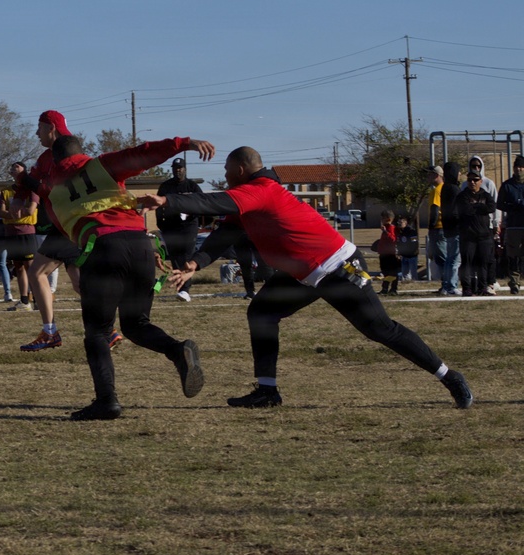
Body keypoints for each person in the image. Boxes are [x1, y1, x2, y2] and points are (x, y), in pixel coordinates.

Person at [139, 146, 474, 410]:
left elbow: (214, 201)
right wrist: (196, 263)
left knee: (380, 329)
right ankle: (267, 391)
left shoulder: (260, 189)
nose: (225, 179)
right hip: (303, 274)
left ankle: (449, 376)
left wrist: (168, 199)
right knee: (262, 312)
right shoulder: (251, 197)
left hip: (336, 268)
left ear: (240, 170)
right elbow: (224, 234)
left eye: (227, 172)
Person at [39, 134, 210, 420]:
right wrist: (184, 144)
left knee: (97, 331)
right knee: (135, 323)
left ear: (54, 159)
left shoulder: (51, 193)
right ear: (83, 152)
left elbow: (66, 230)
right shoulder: (101, 166)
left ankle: (106, 400)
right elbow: (142, 154)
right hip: (141, 245)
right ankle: (177, 351)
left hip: (102, 248)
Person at [19, 111, 85, 352]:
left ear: (51, 128)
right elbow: (36, 184)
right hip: (69, 224)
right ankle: (107, 330)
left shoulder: (63, 155)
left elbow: (50, 189)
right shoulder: (51, 155)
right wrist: (23, 183)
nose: (37, 133)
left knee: (36, 272)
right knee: (79, 282)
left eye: (40, 128)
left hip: (70, 224)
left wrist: (25, 180)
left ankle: (50, 332)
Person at [155, 157, 203, 301]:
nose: (178, 170)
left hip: (189, 225)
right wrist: (161, 224)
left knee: (187, 255)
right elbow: (157, 205)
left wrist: (196, 218)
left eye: (180, 168)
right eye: (175, 168)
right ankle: (180, 288)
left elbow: (202, 203)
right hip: (170, 226)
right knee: (175, 256)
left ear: (185, 169)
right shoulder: (166, 186)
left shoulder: (192, 186)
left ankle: (185, 290)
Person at [0, 161, 39, 312]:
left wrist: (13, 213)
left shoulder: (32, 190)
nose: (14, 169)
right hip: (11, 233)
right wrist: (12, 214)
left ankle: (37, 298)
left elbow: (30, 211)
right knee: (19, 267)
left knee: (31, 266)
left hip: (27, 232)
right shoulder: (6, 191)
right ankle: (24, 300)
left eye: (17, 167)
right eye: (12, 167)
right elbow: (1, 212)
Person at [459, 156, 501, 295]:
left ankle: (483, 287)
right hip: (468, 233)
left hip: (484, 231)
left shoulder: (488, 186)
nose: (472, 182)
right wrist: (479, 207)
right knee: (468, 261)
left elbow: (492, 206)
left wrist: (496, 223)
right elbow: (465, 209)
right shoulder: (463, 190)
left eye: (476, 180)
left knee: (484, 261)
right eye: (472, 165)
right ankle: (468, 287)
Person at [496, 155, 524, 294]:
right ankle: (514, 283)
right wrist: (512, 207)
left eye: (522, 167)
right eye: (517, 166)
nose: (519, 169)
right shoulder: (507, 185)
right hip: (513, 225)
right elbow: (499, 204)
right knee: (514, 255)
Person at [438, 162, 463, 295]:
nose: (460, 174)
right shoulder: (454, 189)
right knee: (455, 259)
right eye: (458, 171)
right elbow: (456, 210)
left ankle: (446, 285)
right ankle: (452, 286)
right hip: (455, 228)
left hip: (447, 227)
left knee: (449, 258)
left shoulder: (445, 187)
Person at [375, 210, 400, 296]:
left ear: (388, 219)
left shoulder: (391, 228)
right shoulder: (386, 228)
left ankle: (393, 289)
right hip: (383, 254)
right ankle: (384, 288)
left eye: (383, 218)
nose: (381, 220)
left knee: (392, 272)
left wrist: (385, 231)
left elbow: (393, 239)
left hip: (390, 254)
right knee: (385, 272)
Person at [396, 214, 419, 282]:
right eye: (398, 222)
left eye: (401, 222)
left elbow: (415, 243)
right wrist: (400, 252)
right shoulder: (400, 232)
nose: (399, 224)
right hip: (404, 255)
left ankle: (415, 282)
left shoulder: (412, 231)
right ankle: (406, 281)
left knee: (413, 273)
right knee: (404, 273)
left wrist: (413, 251)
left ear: (405, 223)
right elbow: (399, 243)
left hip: (412, 255)